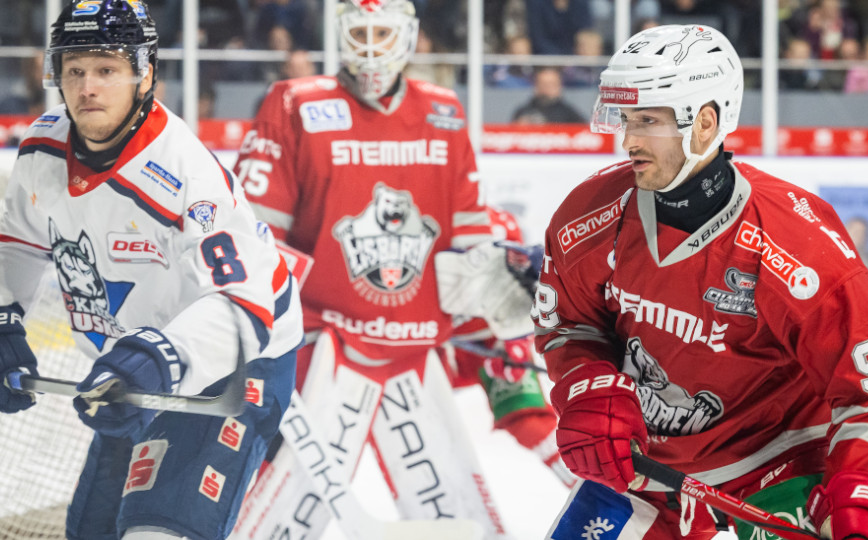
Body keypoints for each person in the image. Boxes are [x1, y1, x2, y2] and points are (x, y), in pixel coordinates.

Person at [535, 24, 868, 539]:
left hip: (779, 464)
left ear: (705, 123)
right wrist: (590, 387)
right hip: (647, 466)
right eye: (626, 121)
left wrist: (860, 488)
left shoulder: (797, 244)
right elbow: (568, 325)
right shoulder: (590, 216)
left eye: (647, 121)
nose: (627, 140)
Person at [0, 1, 303, 539]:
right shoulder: (42, 150)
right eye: (74, 70)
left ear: (145, 74)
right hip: (130, 371)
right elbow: (15, 246)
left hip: (232, 368)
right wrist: (1, 319)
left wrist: (158, 358)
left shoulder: (183, 173)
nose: (87, 87)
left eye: (106, 69)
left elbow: (245, 307)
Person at [230, 1, 533, 537]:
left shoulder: (443, 110)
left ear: (410, 36)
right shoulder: (296, 101)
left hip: (415, 352)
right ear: (340, 34)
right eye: (360, 31)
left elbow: (470, 241)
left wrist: (500, 310)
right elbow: (253, 234)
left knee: (466, 523)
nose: (371, 45)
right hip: (322, 351)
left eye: (383, 31)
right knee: (276, 525)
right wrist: (261, 327)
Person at [442, 207, 576, 489]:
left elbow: (523, 289)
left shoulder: (499, 224)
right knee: (421, 419)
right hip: (431, 342)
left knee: (528, 420)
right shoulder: (422, 224)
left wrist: (514, 341)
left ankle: (588, 486)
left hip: (493, 337)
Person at [511, 66, 587, 124]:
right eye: (543, 84)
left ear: (559, 86)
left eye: (551, 84)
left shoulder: (569, 114)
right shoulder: (524, 111)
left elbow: (584, 134)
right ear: (536, 85)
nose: (547, 88)